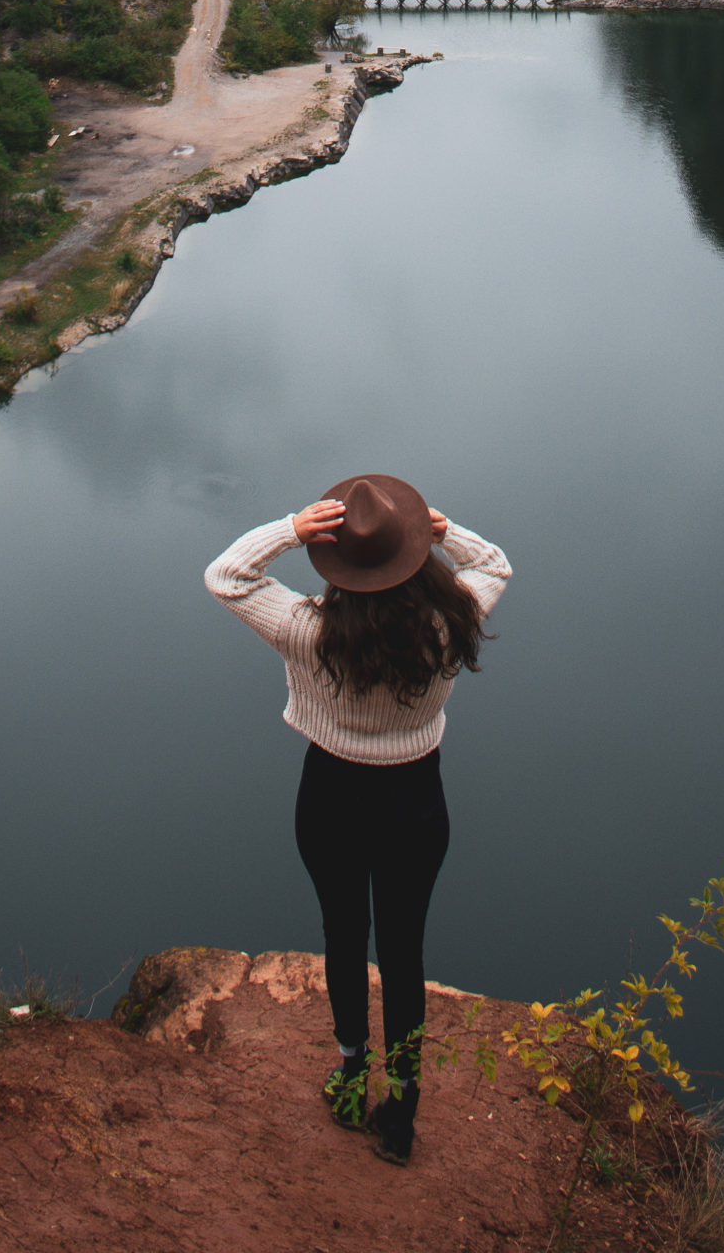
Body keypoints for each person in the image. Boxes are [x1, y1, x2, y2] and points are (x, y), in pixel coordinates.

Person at [205, 473, 511, 1165]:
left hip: (331, 799)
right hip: (415, 801)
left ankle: (350, 1074)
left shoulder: (306, 631)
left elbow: (225, 577)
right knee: (404, 956)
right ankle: (401, 1111)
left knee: (344, 938)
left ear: (339, 562)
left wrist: (290, 528)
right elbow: (494, 564)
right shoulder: (450, 618)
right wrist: (443, 531)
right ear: (411, 557)